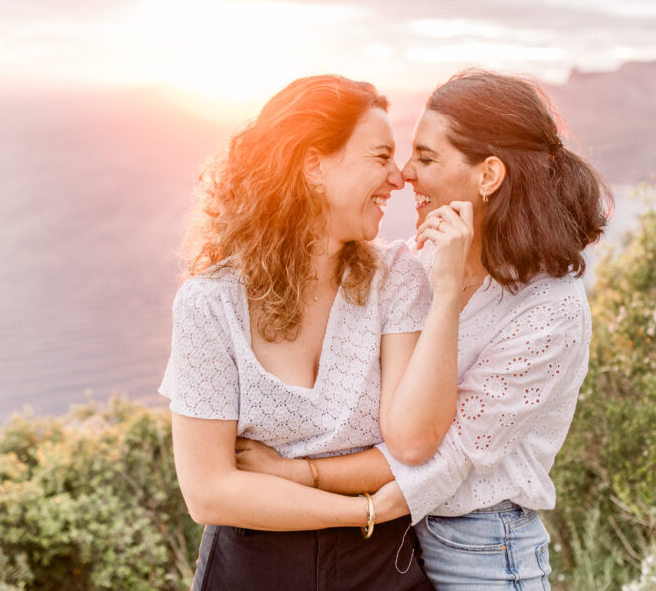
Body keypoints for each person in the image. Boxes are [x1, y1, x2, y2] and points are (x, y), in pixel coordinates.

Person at [235, 68, 610, 589]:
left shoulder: (550, 309)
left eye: (427, 158)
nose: (407, 173)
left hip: (483, 551)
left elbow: (444, 454)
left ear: (489, 175)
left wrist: (302, 474)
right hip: (397, 546)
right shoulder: (419, 261)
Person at [159, 74, 474, 590]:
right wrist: (368, 510)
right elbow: (209, 493)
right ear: (312, 167)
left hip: (382, 572)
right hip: (252, 572)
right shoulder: (211, 302)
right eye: (380, 157)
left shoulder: (397, 278)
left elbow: (412, 445)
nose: (399, 179)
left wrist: (447, 290)